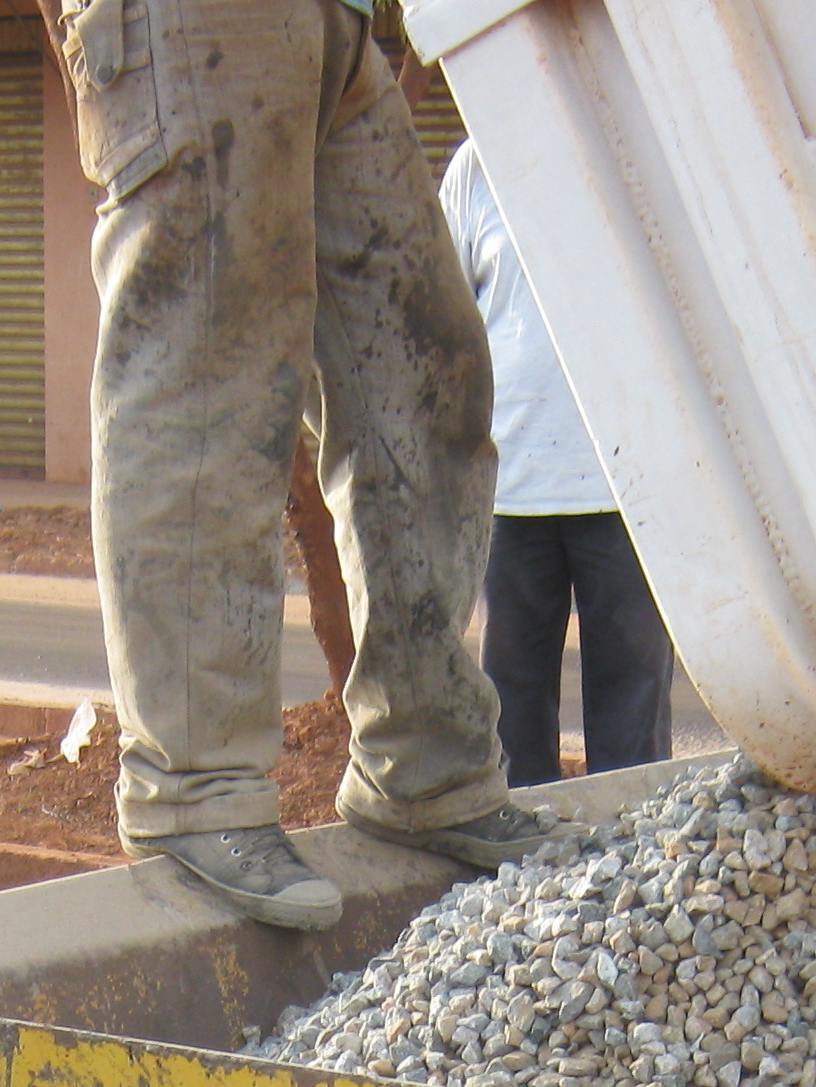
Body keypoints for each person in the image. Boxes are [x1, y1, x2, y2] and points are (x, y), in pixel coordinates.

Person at [49, 0, 553, 933]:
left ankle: (426, 763)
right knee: (213, 376)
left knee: (426, 363)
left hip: (338, 21)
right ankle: (194, 788)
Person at [439, 141, 673, 786]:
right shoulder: (475, 168)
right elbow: (445, 319)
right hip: (508, 483)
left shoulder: (635, 143)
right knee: (510, 703)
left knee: (633, 702)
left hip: (629, 482)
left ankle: (630, 835)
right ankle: (523, 840)